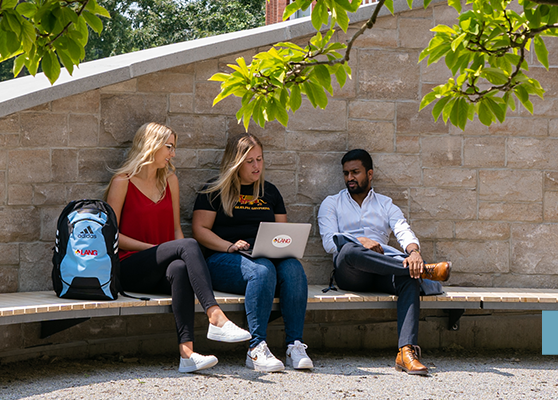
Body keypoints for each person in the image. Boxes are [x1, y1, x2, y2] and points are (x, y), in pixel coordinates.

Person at [107, 123, 250, 373]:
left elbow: (176, 231)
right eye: (169, 147)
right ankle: (215, 316)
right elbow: (112, 235)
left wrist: (177, 251)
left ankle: (187, 354)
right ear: (151, 145)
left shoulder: (170, 180)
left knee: (181, 266)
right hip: (131, 266)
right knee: (185, 247)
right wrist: (156, 248)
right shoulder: (122, 182)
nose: (173, 154)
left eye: (174, 147)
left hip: (161, 266)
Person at [317, 149, 451, 375]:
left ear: (369, 174)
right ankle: (425, 271)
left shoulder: (385, 204)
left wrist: (414, 253)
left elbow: (402, 230)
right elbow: (330, 242)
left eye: (355, 172)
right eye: (346, 173)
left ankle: (405, 353)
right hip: (351, 272)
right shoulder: (331, 203)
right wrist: (361, 241)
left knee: (409, 277)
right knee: (348, 250)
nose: (350, 178)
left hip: (382, 270)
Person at [191, 133, 313, 372]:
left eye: (260, 159)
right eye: (250, 161)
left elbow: (282, 232)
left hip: (264, 256)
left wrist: (283, 246)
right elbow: (200, 230)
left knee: (294, 268)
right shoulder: (214, 190)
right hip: (223, 258)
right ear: (236, 162)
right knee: (262, 270)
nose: (257, 166)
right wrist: (229, 245)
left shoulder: (270, 192)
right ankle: (256, 348)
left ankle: (294, 345)